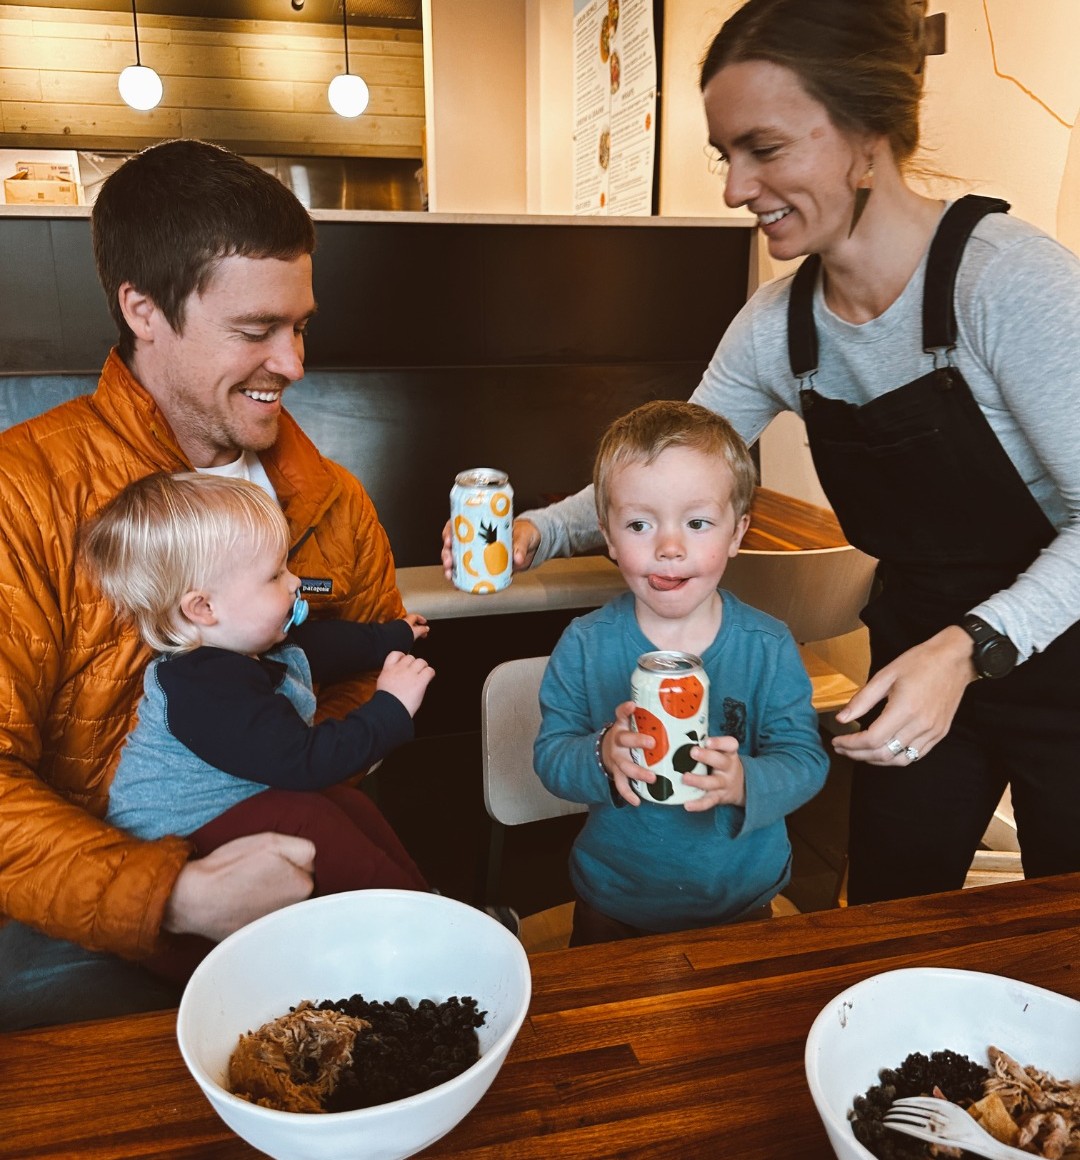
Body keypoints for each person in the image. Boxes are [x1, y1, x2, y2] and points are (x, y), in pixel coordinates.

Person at [453, 0, 1080, 905]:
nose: (734, 187)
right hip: (915, 646)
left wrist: (970, 649)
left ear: (869, 137)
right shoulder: (779, 327)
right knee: (888, 918)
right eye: (724, 155)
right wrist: (535, 536)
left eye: (765, 148)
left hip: (1059, 650)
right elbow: (667, 472)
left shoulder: (1007, 282)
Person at [0, 139, 412, 1029]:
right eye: (255, 331)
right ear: (144, 310)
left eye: (299, 325)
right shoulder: (21, 496)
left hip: (297, 864)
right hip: (72, 927)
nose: (295, 363)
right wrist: (174, 893)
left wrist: (280, 779)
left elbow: (360, 664)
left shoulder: (329, 496)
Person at [79, 472, 434, 982]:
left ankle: (423, 904)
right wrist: (389, 708)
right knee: (311, 818)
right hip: (176, 847)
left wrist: (392, 635)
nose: (294, 581)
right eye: (274, 576)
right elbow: (303, 762)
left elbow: (321, 648)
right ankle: (417, 936)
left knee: (349, 803)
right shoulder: (200, 684)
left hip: (228, 811)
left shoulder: (244, 644)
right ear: (203, 607)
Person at [533, 401, 828, 945]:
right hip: (614, 899)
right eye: (640, 524)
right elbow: (550, 758)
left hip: (740, 898)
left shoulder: (767, 646)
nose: (669, 548)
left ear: (736, 534)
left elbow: (805, 760)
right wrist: (602, 753)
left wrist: (746, 782)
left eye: (697, 523)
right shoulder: (584, 643)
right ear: (610, 537)